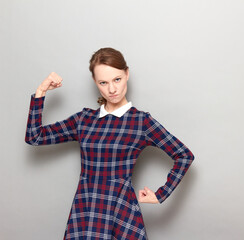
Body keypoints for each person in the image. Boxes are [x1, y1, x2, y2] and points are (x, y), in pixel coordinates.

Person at [25, 47, 195, 240]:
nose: (112, 89)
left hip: (120, 210)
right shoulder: (84, 120)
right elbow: (35, 137)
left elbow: (184, 155)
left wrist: (161, 194)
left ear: (127, 74)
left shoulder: (141, 122)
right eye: (103, 82)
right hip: (86, 211)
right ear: (95, 83)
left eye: (117, 79)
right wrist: (41, 92)